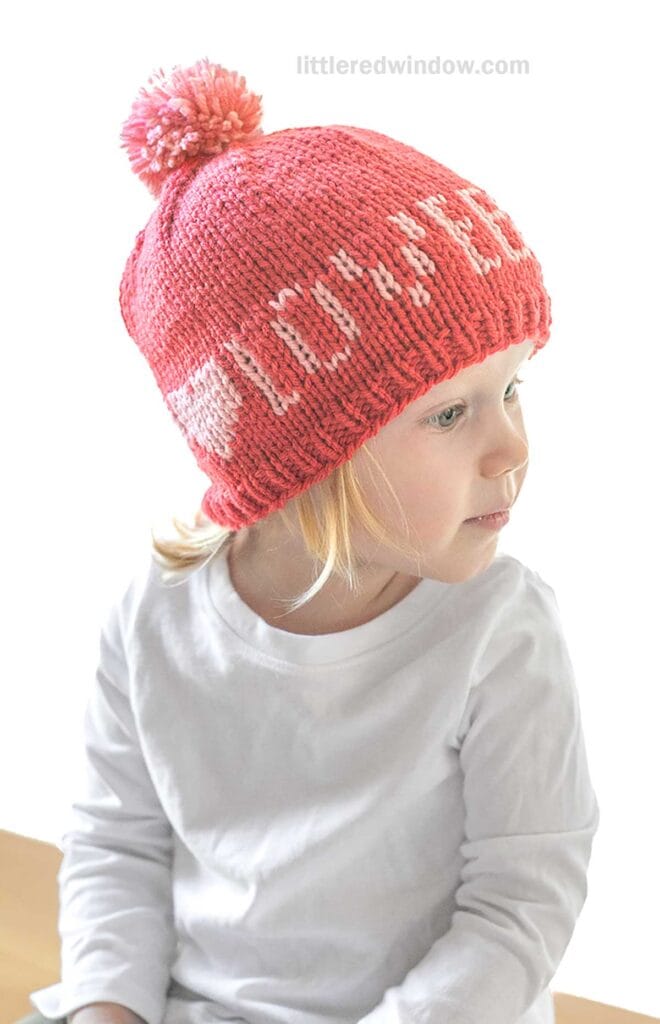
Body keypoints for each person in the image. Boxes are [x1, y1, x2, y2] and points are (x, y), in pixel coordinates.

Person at [27, 57, 599, 1024]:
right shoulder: (156, 619)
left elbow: (518, 909)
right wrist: (106, 1007)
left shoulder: (500, 626)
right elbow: (118, 845)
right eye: (450, 415)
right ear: (304, 455)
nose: (513, 446)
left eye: (514, 387)